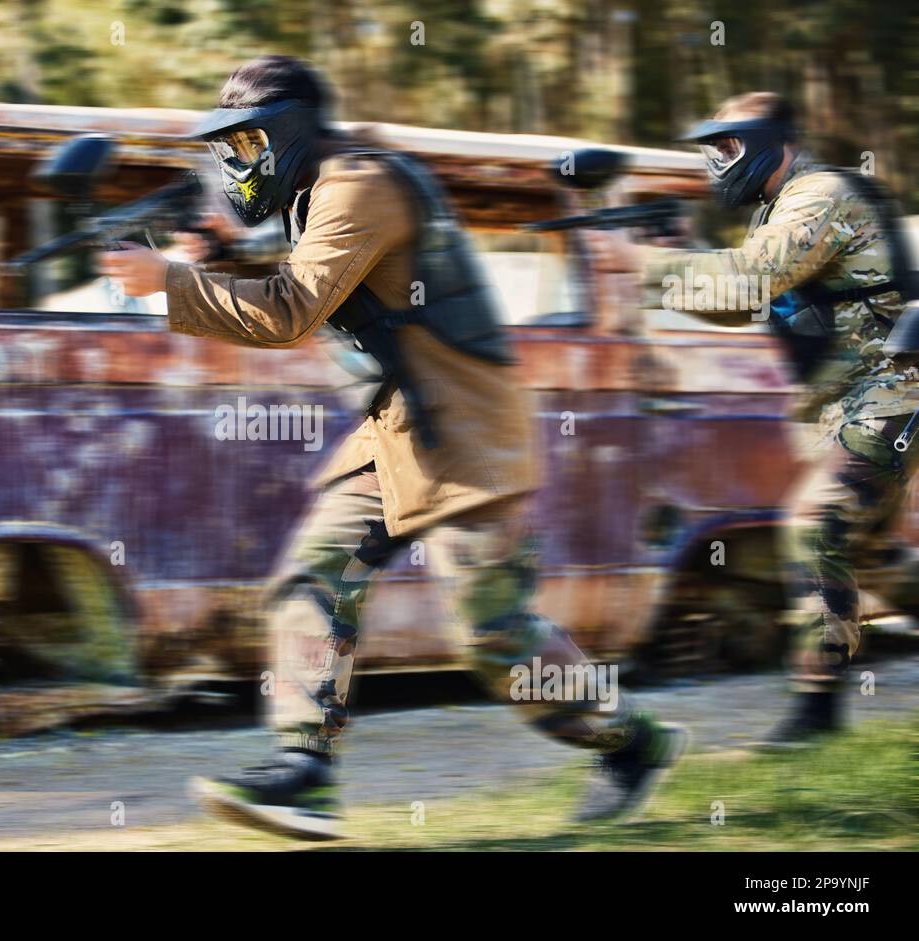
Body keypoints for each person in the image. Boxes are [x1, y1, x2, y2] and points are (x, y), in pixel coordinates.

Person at [100, 55, 686, 839]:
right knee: (313, 577)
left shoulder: (356, 185)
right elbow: (326, 279)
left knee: (493, 634)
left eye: (245, 145)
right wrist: (213, 254)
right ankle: (301, 772)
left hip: (464, 429)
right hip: (395, 430)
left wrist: (169, 281)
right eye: (227, 150)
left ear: (287, 131)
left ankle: (631, 742)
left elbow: (289, 310)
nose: (236, 165)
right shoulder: (321, 192)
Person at [589, 91, 919, 748]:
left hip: (895, 388)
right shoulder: (778, 208)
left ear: (775, 144)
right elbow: (742, 306)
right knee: (874, 552)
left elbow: (744, 282)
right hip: (849, 399)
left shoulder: (819, 194)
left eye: (728, 146)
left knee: (814, 524)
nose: (718, 161)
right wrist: (670, 259)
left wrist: (644, 264)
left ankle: (816, 716)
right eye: (713, 149)